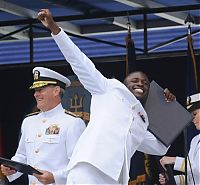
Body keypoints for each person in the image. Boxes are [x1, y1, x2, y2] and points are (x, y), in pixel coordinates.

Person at [38, 9, 175, 184]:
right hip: (89, 170)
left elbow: (160, 147)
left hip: (115, 179)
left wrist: (169, 110)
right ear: (124, 82)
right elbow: (78, 61)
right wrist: (55, 29)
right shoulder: (107, 88)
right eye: (135, 80)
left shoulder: (142, 121)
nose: (140, 83)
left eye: (145, 83)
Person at [0, 67, 86, 185]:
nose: (36, 94)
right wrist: (11, 168)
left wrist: (55, 177)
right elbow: (22, 155)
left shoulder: (73, 123)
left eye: (40, 89)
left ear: (56, 91)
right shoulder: (28, 122)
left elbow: (80, 166)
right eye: (35, 90)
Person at [159, 92, 200, 185]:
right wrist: (172, 179)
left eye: (194, 113)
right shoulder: (195, 140)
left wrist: (174, 160)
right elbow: (193, 177)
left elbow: (198, 170)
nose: (192, 119)